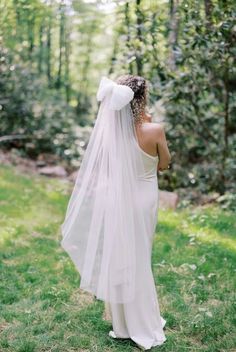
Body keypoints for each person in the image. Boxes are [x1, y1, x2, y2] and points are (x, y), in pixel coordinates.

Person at [60, 75, 171, 351]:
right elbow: (165, 164)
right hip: (144, 197)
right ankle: (144, 325)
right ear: (142, 99)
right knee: (140, 256)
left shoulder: (114, 133)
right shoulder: (155, 130)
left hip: (119, 198)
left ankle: (122, 325)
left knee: (123, 254)